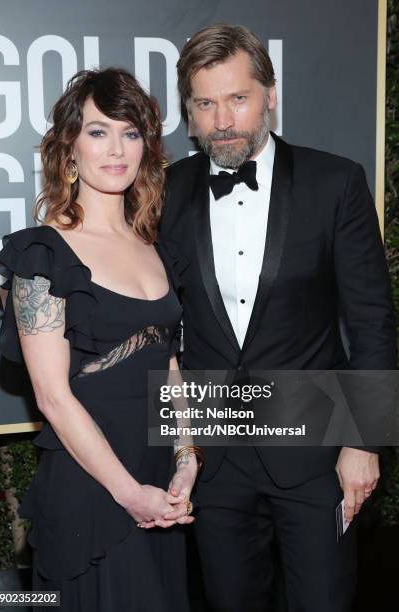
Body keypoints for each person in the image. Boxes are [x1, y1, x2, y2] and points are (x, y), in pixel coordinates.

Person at [159, 24, 397, 612]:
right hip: (214, 456)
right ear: (189, 113)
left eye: (238, 98)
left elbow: (372, 322)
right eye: (205, 103)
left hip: (317, 449)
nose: (222, 121)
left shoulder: (334, 182)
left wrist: (363, 442)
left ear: (270, 94)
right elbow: (155, 323)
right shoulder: (165, 192)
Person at [0, 67, 199, 612]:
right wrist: (130, 494)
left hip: (162, 485)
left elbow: (170, 366)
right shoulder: (43, 254)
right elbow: (53, 397)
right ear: (69, 147)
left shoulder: (158, 249)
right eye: (98, 131)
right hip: (94, 484)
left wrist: (185, 458)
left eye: (131, 133)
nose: (117, 150)